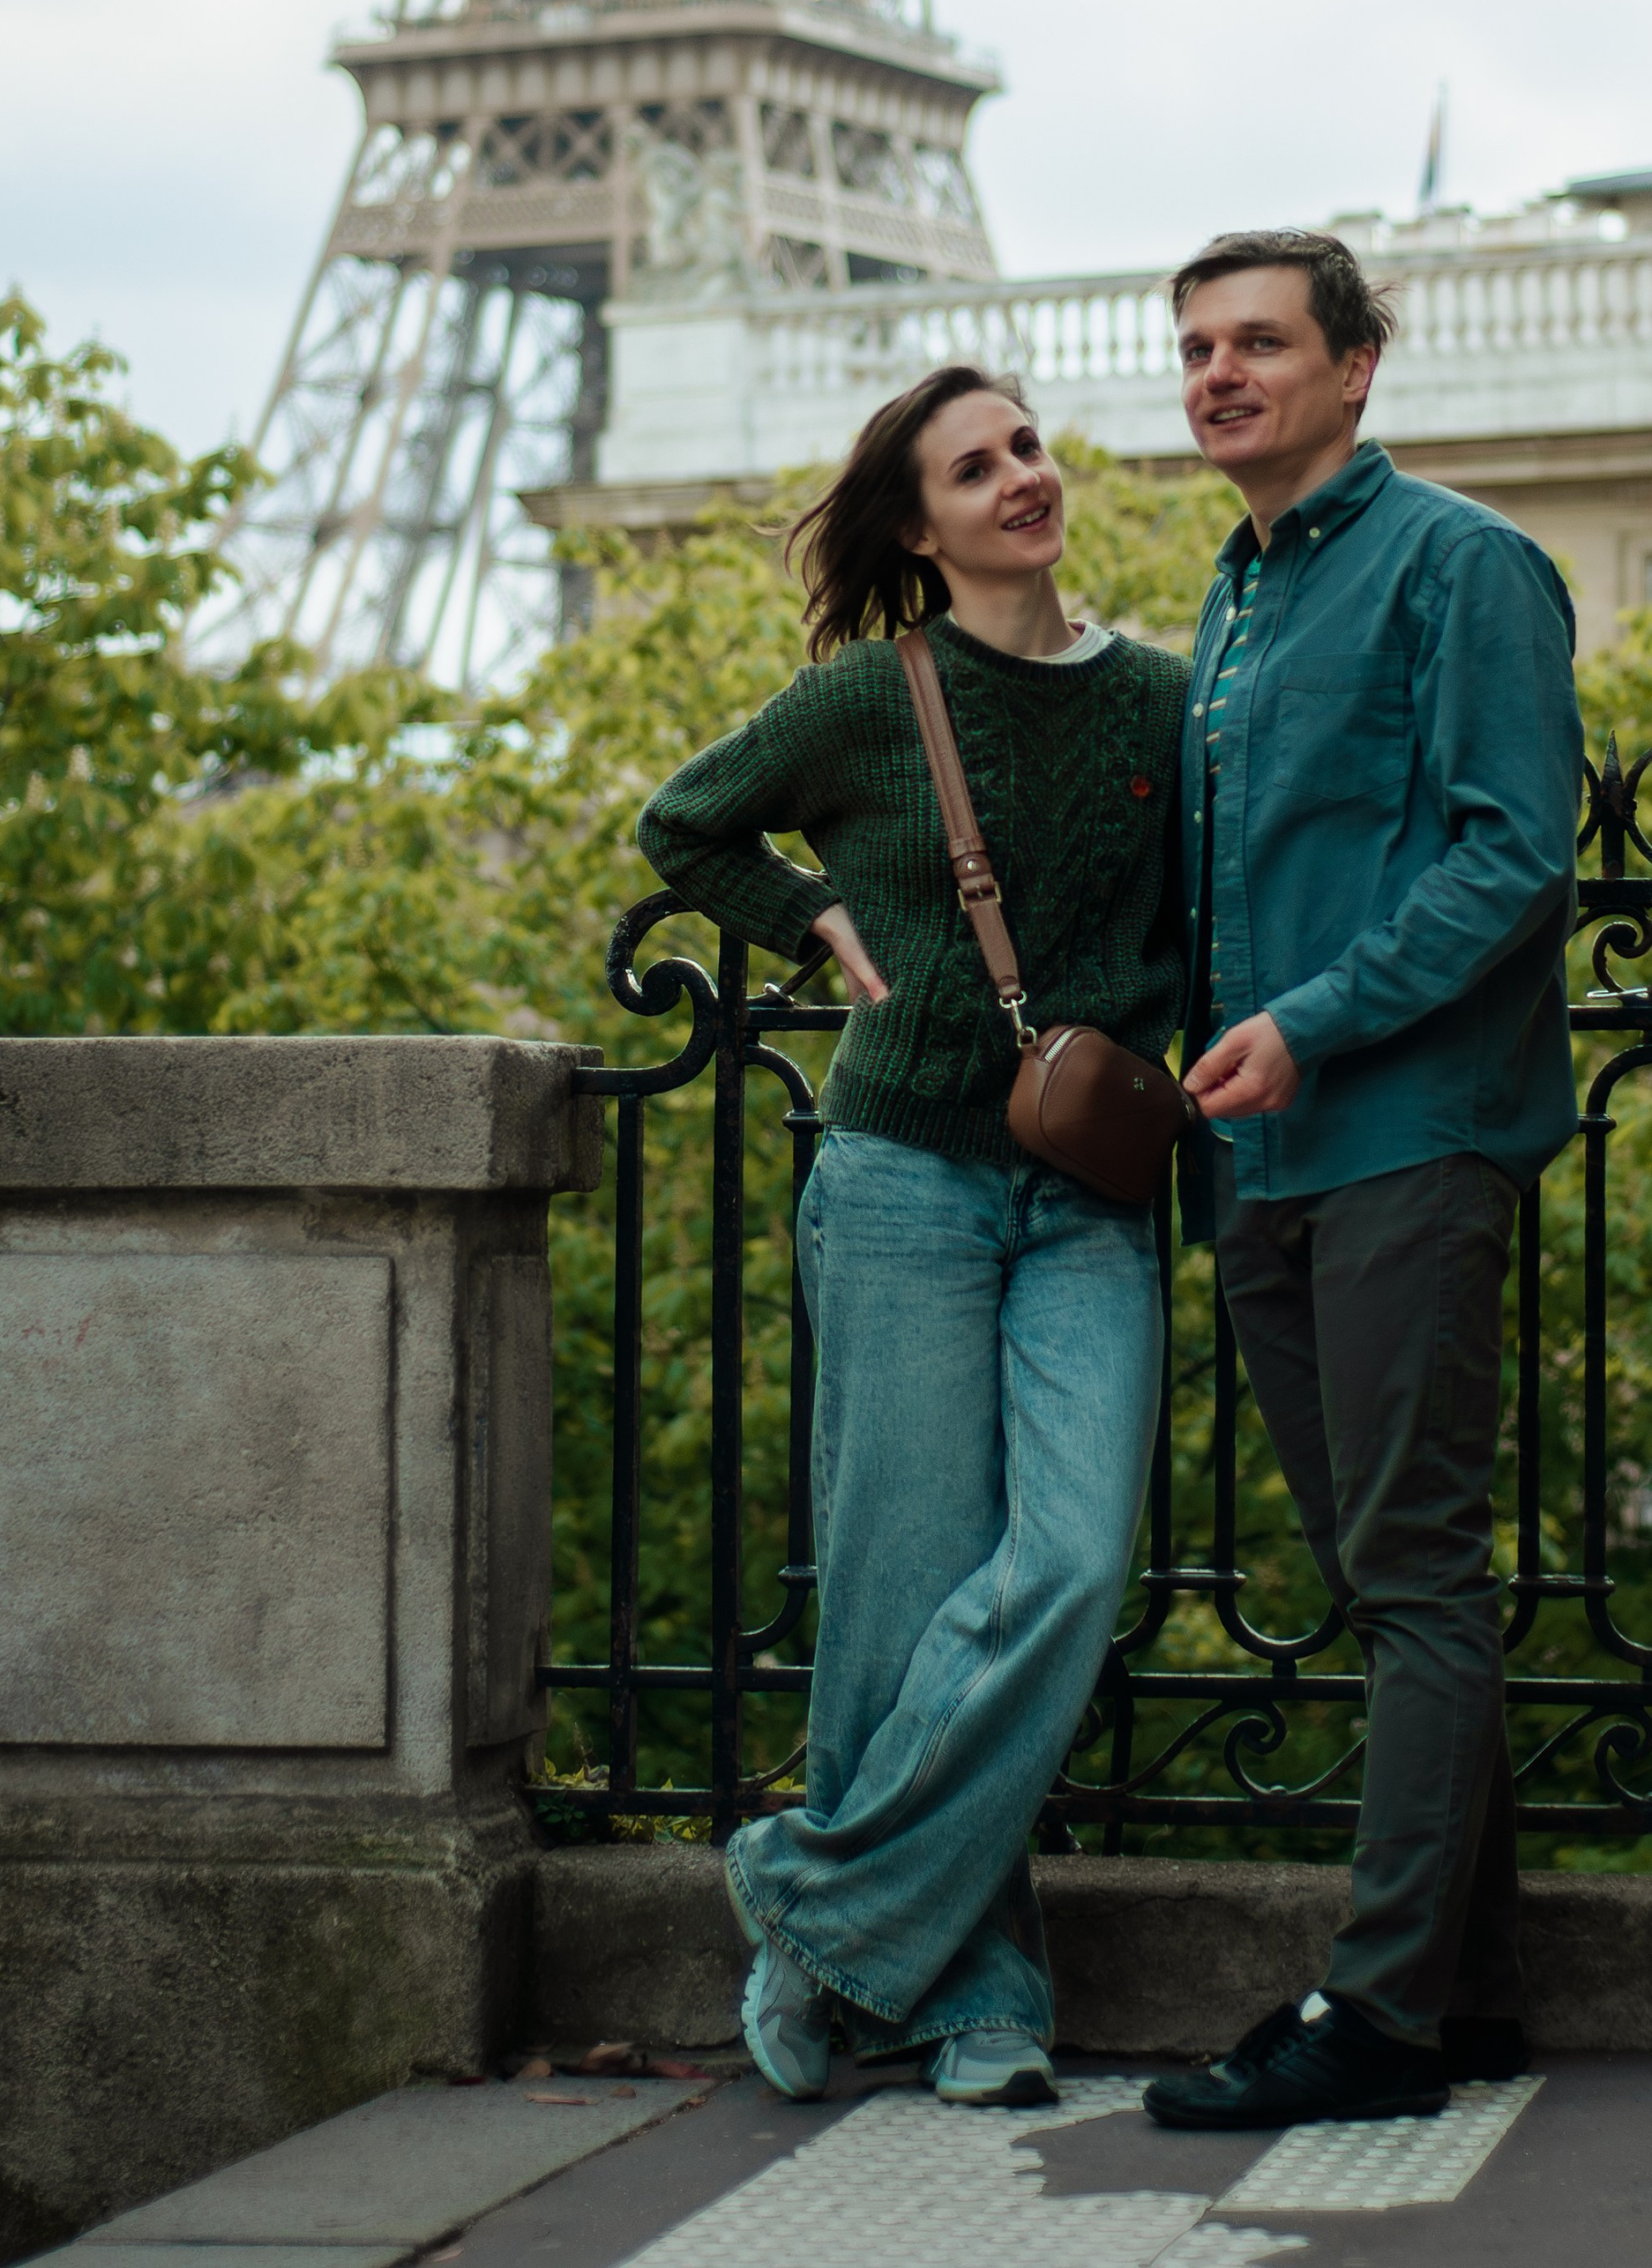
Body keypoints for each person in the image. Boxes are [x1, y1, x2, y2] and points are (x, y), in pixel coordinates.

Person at [635, 362, 1187, 2113]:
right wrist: (807, 914)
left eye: (1024, 446)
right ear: (916, 525)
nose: (1019, 476)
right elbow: (684, 824)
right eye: (975, 465)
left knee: (1071, 1561)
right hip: (897, 1184)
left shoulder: (1169, 703)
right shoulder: (867, 702)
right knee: (898, 1594)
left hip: (1085, 1192)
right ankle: (978, 1988)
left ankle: (808, 1906)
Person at [1140, 231, 1581, 2134]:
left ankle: (1380, 2010)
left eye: (1258, 341)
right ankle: (1466, 1993)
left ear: (1356, 366)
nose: (1219, 373)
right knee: (1383, 1582)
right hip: (1261, 1157)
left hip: (1406, 1134)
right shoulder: (1232, 601)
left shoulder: (1459, 562)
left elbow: (1511, 858)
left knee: (1412, 1574)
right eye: (1194, 348)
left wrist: (1314, 1021)